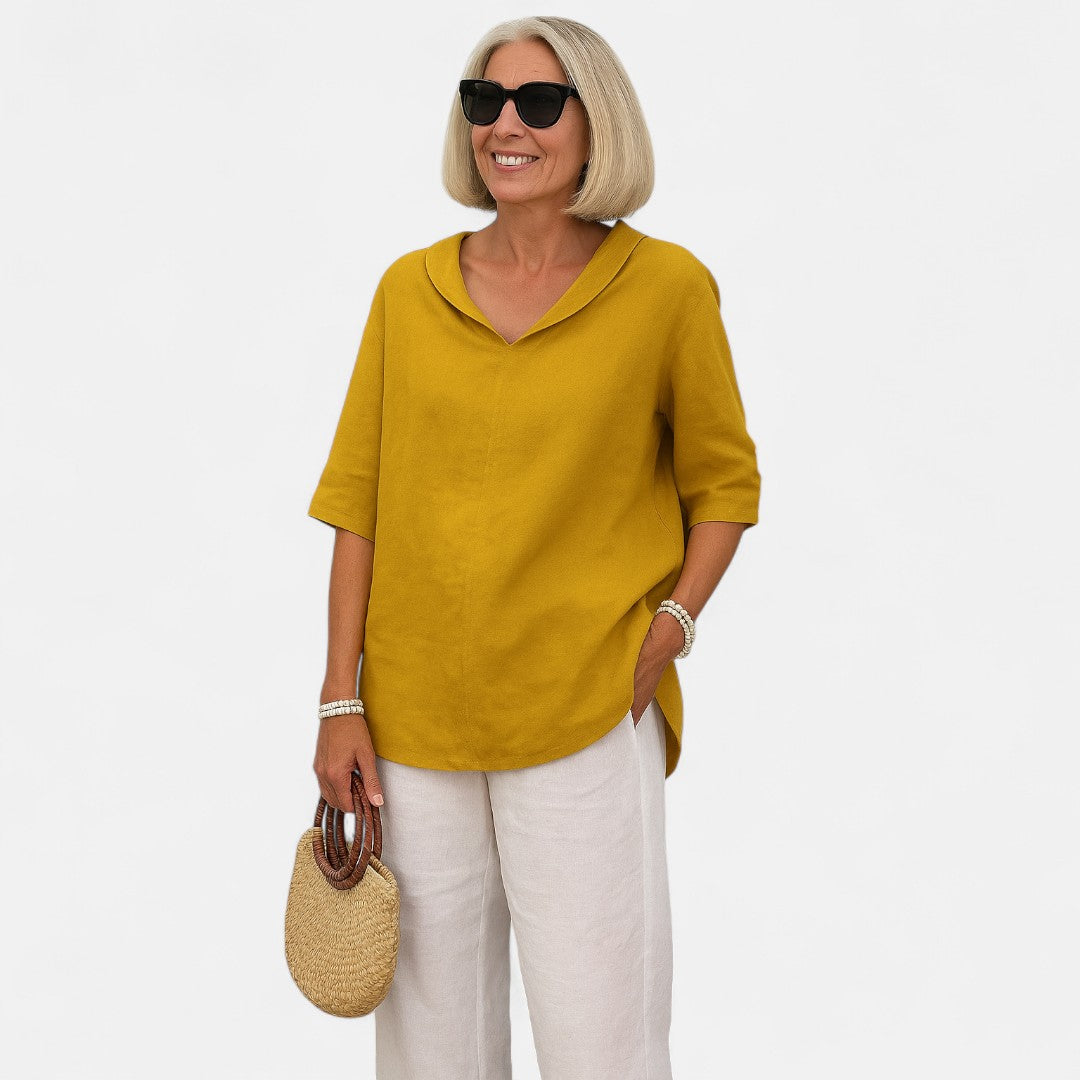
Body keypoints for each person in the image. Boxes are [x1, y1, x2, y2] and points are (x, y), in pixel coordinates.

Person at [307, 15, 760, 1080]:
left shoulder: (667, 290)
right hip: (412, 724)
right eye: (485, 102)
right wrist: (339, 698)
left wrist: (673, 625)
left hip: (586, 708)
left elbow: (725, 486)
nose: (505, 125)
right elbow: (359, 503)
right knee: (430, 1052)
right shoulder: (407, 292)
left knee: (602, 1042)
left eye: (539, 102)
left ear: (597, 124)